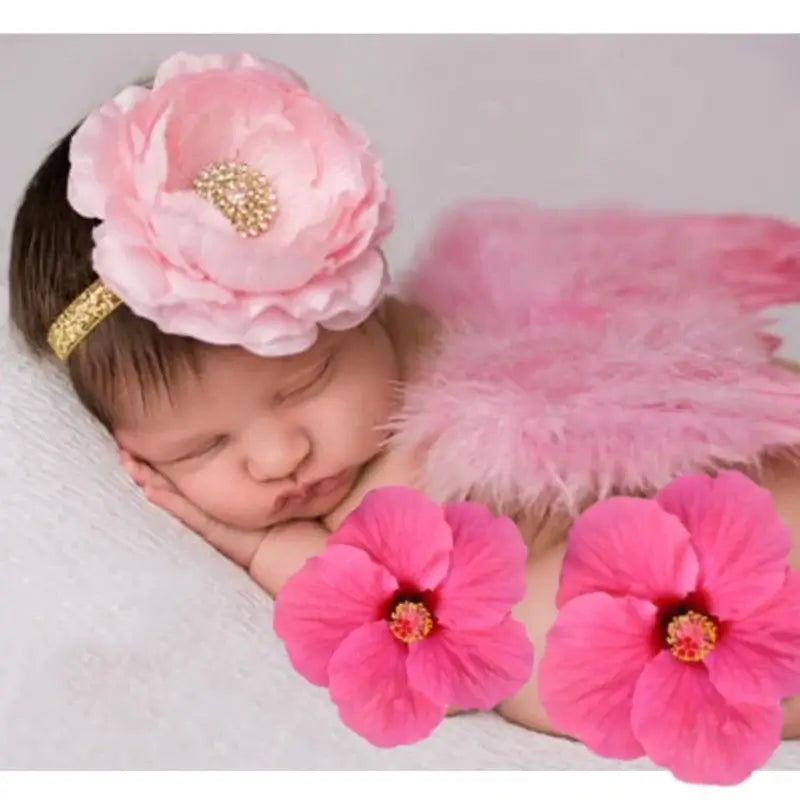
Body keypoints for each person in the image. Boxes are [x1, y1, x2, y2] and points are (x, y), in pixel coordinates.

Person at [8, 50, 800, 741]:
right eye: (202, 449)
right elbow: (395, 636)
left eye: (308, 381)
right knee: (549, 660)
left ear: (367, 306)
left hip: (724, 493)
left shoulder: (442, 345)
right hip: (668, 613)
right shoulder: (323, 518)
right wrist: (260, 548)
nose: (281, 454)